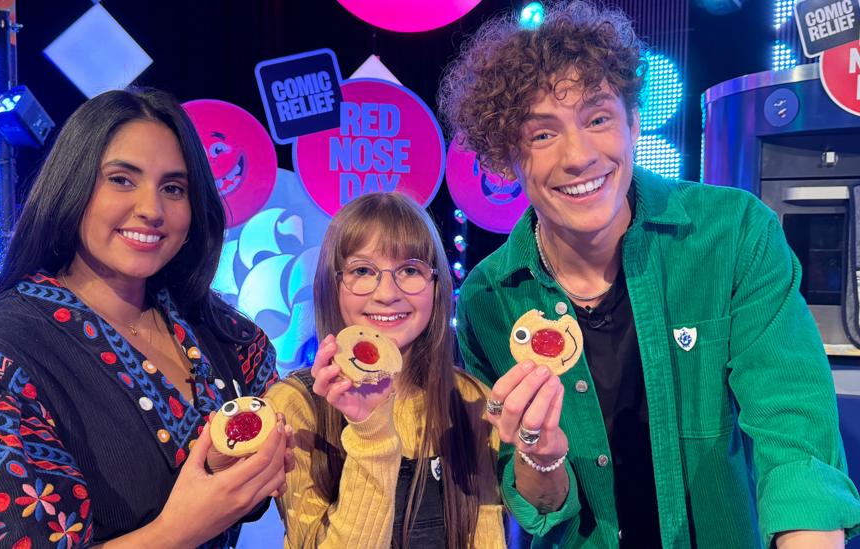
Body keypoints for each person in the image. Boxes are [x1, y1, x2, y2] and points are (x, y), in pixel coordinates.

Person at [439, 2, 860, 548]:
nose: (578, 156)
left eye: (597, 119)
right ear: (506, 160)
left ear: (634, 122)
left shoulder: (733, 233)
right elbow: (539, 510)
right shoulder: (489, 299)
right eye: (542, 135)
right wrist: (539, 456)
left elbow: (795, 434)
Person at [0, 88, 291, 548]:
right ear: (73, 186)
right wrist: (177, 531)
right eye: (122, 179)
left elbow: (290, 434)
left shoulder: (216, 329)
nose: (151, 209)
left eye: (174, 188)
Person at [266, 192, 505, 548]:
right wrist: (370, 433)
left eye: (410, 270)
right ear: (333, 285)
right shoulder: (294, 406)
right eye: (363, 271)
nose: (387, 293)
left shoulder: (470, 398)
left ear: (436, 285)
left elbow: (486, 536)